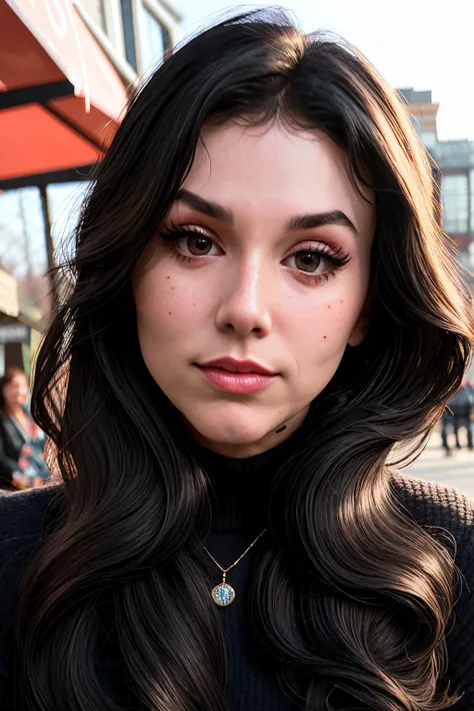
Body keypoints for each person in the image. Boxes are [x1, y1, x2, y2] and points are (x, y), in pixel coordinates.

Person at [0, 9, 473, 710]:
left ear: (368, 304)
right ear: (129, 262)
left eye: (311, 257)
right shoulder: (15, 561)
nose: (245, 307)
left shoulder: (452, 564)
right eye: (195, 240)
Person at [0, 367, 49, 490]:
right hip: (12, 487)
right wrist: (21, 478)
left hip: (39, 481)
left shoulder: (31, 416)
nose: (20, 390)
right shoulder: (2, 419)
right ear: (3, 389)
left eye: (24, 385)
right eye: (15, 386)